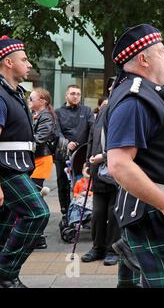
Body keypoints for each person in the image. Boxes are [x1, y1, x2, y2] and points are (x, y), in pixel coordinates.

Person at [105, 24, 164, 288]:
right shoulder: (135, 99)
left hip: (154, 212)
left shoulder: (148, 96)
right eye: (162, 51)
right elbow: (119, 164)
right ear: (143, 59)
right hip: (155, 214)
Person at [0, 36, 50, 288]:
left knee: (4, 228)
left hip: (18, 166)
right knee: (37, 213)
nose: (29, 64)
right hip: (6, 170)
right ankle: (5, 273)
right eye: (24, 59)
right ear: (8, 62)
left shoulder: (16, 92)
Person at [82, 78, 120, 266]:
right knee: (97, 213)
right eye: (111, 87)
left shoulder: (124, 109)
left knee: (114, 213)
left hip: (118, 171)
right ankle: (98, 247)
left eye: (116, 86)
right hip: (98, 170)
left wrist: (104, 157)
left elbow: (122, 142)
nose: (112, 89)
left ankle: (114, 249)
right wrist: (87, 162)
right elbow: (92, 137)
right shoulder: (103, 109)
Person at [55, 85, 94, 217]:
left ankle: (84, 212)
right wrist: (66, 143)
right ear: (66, 95)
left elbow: (92, 129)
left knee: (83, 183)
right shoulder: (58, 112)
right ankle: (65, 211)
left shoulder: (87, 110)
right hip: (63, 153)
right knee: (63, 183)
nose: (76, 96)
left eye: (78, 94)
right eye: (72, 93)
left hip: (82, 154)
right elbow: (56, 131)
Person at [28, 87, 58, 249]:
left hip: (41, 160)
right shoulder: (37, 115)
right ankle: (37, 236)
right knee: (34, 197)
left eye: (32, 99)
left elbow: (40, 138)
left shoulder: (45, 116)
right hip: (35, 160)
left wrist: (21, 143)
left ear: (43, 102)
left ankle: (38, 237)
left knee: (34, 199)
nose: (29, 101)